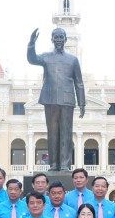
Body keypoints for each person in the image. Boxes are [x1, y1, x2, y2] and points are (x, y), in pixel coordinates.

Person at [27, 27, 86, 171]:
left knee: (66, 132)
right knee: (52, 132)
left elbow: (79, 82)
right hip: (50, 98)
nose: (59, 40)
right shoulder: (46, 57)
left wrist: (82, 103)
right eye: (56, 37)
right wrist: (31, 44)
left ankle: (65, 165)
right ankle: (53, 164)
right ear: (52, 39)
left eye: (61, 37)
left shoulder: (73, 60)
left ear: (65, 40)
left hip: (67, 100)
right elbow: (32, 59)